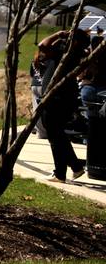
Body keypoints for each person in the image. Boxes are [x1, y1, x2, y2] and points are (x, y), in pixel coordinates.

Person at [38, 30, 88, 183]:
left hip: (57, 98)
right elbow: (43, 49)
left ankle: (63, 172)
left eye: (70, 37)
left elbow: (42, 45)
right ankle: (72, 167)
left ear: (75, 41)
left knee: (55, 134)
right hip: (60, 97)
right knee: (57, 134)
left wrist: (58, 35)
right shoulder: (70, 52)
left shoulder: (68, 54)